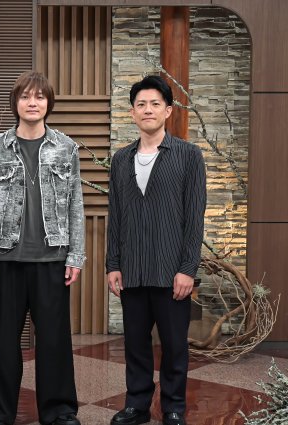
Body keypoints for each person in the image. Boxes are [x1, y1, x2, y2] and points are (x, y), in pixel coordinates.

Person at [0, 71, 86, 425]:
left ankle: (60, 411)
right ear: (16, 103)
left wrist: (75, 256)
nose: (32, 102)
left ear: (48, 103)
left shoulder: (66, 147)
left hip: (53, 258)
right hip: (7, 259)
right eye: (25, 96)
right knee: (2, 342)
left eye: (39, 96)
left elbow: (75, 205)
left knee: (54, 341)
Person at [106, 75, 207, 425]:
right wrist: (113, 264)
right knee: (135, 344)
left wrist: (188, 269)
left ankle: (173, 406)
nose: (147, 110)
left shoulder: (188, 156)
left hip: (171, 271)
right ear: (132, 112)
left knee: (175, 345)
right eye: (141, 104)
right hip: (132, 269)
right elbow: (116, 216)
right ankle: (136, 405)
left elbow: (194, 217)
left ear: (167, 110)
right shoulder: (121, 159)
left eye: (154, 104)